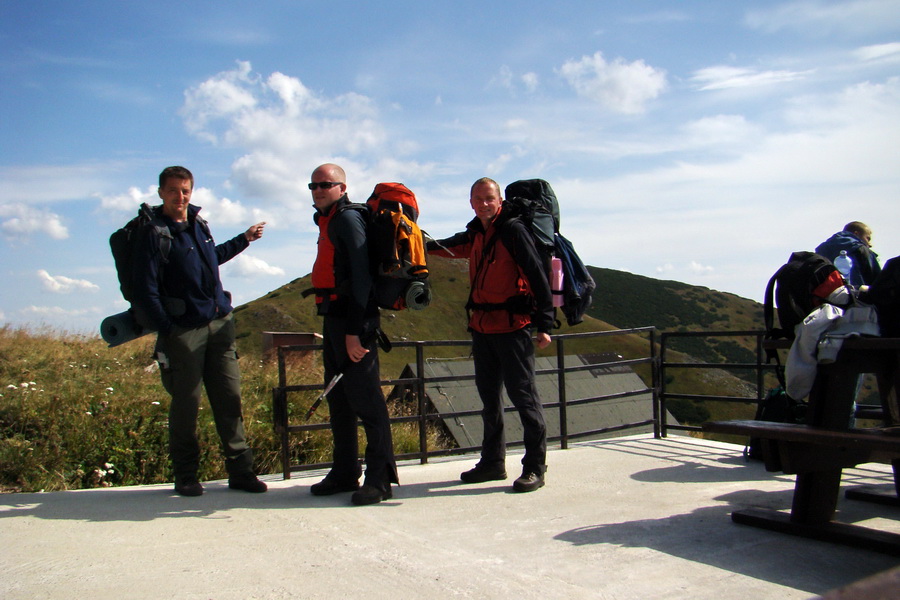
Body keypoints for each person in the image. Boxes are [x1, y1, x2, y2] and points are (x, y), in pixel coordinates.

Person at [132, 166, 268, 497]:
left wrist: (244, 239)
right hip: (184, 330)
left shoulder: (199, 225)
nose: (181, 196)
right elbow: (144, 289)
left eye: (186, 190)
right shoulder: (154, 233)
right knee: (186, 405)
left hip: (220, 323)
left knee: (229, 398)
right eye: (174, 190)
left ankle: (241, 472)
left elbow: (212, 258)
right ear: (161, 192)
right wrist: (168, 329)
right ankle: (186, 475)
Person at [427, 177, 554, 493]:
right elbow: (448, 247)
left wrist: (545, 325)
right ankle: (492, 463)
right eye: (477, 199)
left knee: (524, 398)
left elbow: (538, 277)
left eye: (489, 198)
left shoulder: (514, 231)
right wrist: (417, 242)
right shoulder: (475, 233)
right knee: (489, 400)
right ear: (471, 202)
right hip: (483, 329)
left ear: (499, 201)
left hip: (513, 329)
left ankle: (535, 467)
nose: (483, 204)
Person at [307, 163, 398, 505]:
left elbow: (362, 279)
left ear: (342, 188)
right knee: (339, 398)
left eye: (325, 184)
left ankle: (380, 479)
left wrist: (353, 332)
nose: (318, 190)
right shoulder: (328, 219)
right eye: (313, 185)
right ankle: (345, 471)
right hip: (334, 319)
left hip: (353, 322)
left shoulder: (346, 219)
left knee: (366, 400)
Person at [815, 221, 881, 289]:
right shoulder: (861, 249)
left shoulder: (820, 252)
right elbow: (878, 283)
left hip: (825, 296)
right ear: (856, 234)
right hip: (855, 295)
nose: (870, 244)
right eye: (868, 238)